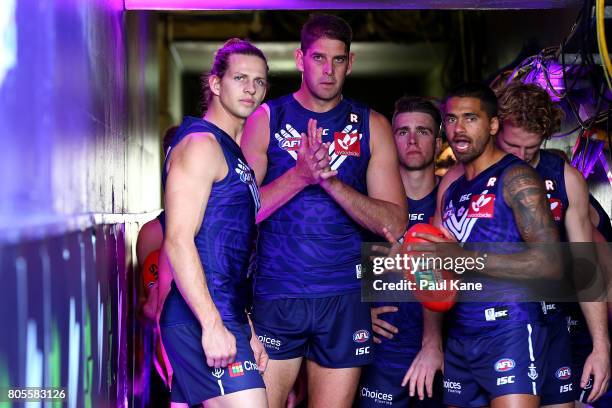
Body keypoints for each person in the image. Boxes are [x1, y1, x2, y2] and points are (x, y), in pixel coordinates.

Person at [241, 14, 407, 408]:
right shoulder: (266, 119)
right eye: (318, 58)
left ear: (350, 63)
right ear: (300, 60)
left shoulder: (372, 125)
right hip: (278, 293)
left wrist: (330, 181)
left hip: (343, 297)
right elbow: (241, 213)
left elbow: (395, 223)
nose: (328, 70)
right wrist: (300, 176)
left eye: (337, 60)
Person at [420, 82, 562, 407]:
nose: (459, 129)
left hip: (509, 328)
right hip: (459, 336)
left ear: (493, 125)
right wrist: (415, 262)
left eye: (470, 118)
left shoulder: (518, 178)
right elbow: (435, 268)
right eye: (452, 119)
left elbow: (551, 264)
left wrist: (464, 257)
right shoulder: (452, 187)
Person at [159, 38, 269, 407]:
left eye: (260, 81)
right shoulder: (201, 145)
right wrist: (211, 325)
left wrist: (246, 328)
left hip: (226, 314)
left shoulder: (229, 149)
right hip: (200, 319)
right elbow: (177, 240)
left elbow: (230, 252)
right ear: (216, 84)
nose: (251, 88)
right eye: (241, 78)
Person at [495, 82, 610, 406]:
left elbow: (587, 268)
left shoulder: (565, 178)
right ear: (495, 128)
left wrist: (601, 347)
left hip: (552, 321)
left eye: (530, 148)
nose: (519, 156)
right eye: (512, 145)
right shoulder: (469, 176)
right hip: (490, 325)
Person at [357, 96, 444, 407]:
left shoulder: (456, 199)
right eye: (402, 131)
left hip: (442, 351)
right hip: (382, 353)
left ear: (438, 142)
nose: (411, 140)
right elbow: (336, 263)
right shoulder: (368, 203)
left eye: (422, 131)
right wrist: (355, 314)